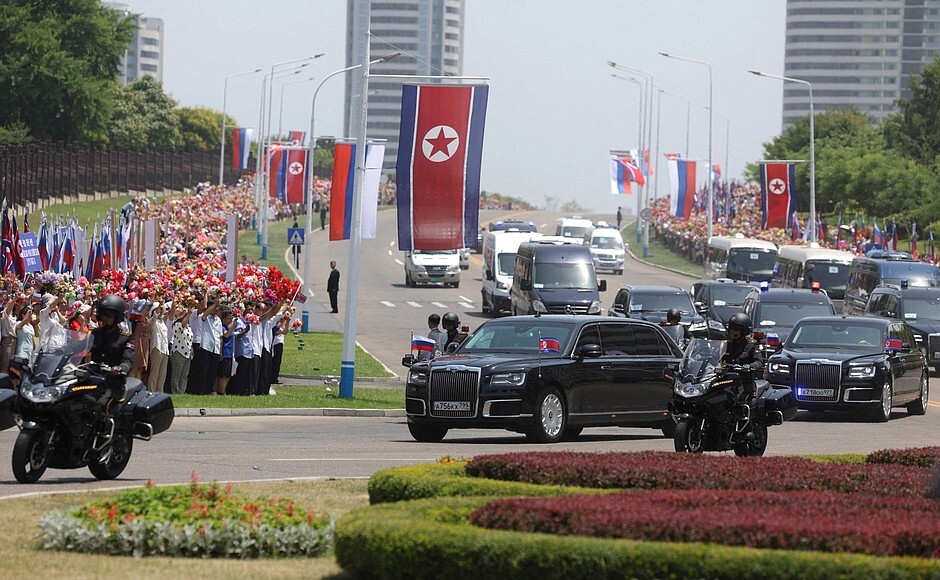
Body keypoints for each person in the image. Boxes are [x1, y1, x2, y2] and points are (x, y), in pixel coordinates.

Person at [88, 295, 135, 434]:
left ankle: (104, 436)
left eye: (110, 315)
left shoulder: (125, 337)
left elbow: (128, 359)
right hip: (93, 379)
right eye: (104, 314)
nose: (106, 318)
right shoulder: (94, 334)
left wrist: (121, 369)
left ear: (117, 317)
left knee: (103, 405)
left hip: (113, 382)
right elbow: (79, 351)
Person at [720, 312, 763, 408]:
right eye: (731, 329)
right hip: (726, 381)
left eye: (737, 329)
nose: (733, 332)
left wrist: (749, 367)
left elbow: (759, 361)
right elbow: (715, 359)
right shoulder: (725, 345)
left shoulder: (751, 345)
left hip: (743, 383)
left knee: (740, 402)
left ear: (744, 331)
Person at [168, 305, 193, 395]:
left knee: (184, 374)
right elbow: (182, 324)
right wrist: (187, 314)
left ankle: (181, 392)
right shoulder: (176, 323)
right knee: (176, 374)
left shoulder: (189, 327)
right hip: (178, 351)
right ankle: (175, 391)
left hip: (187, 353)